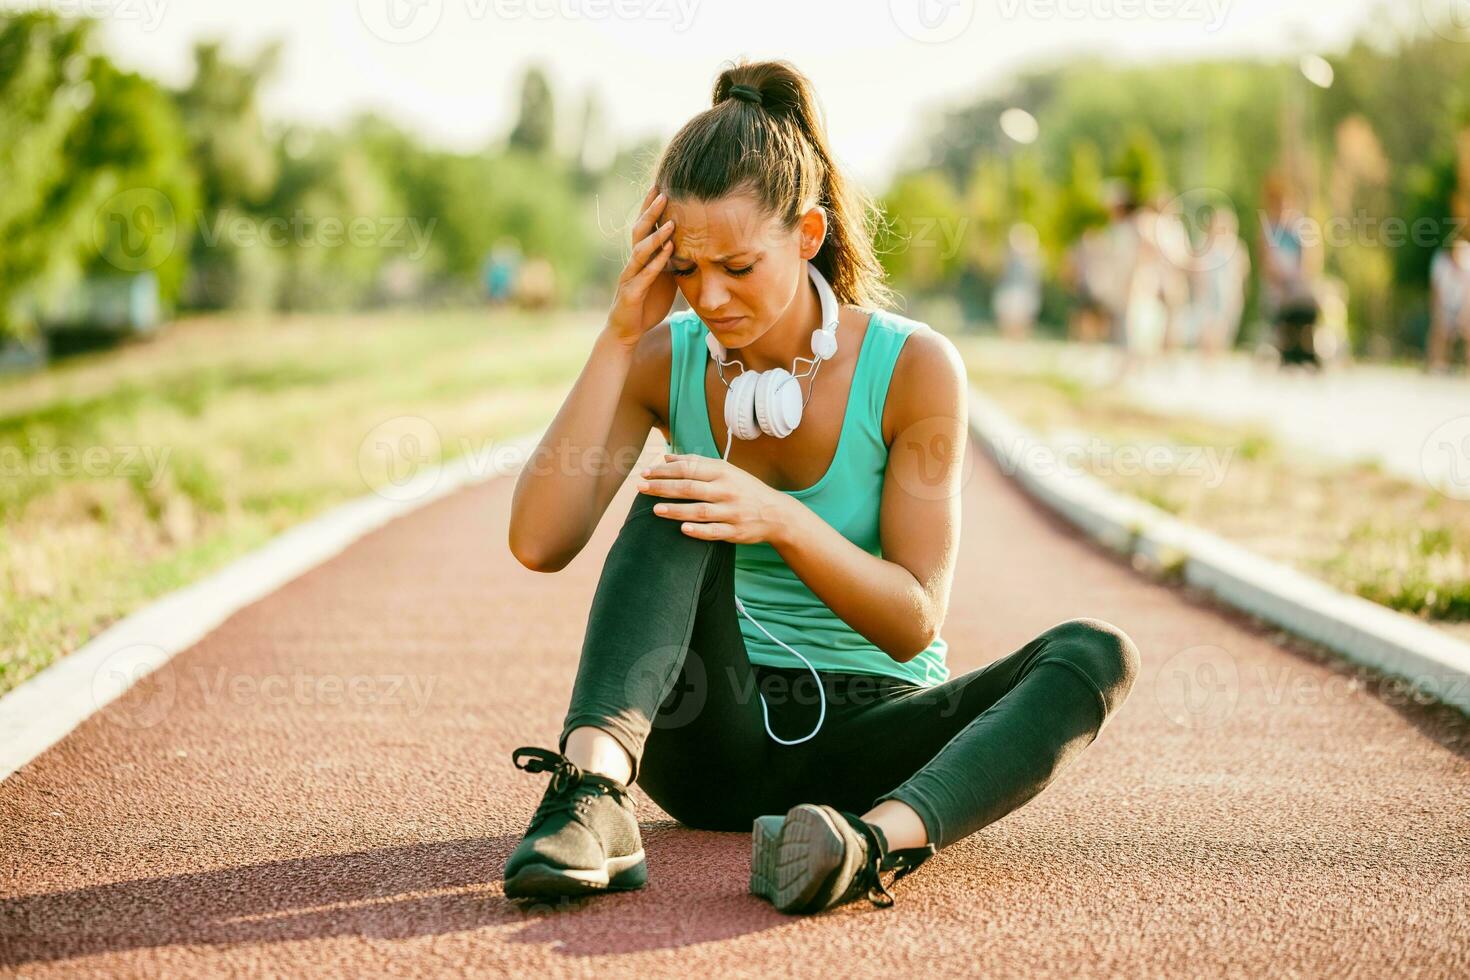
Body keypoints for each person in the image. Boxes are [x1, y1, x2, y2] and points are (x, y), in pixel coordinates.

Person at [501, 59, 1140, 916]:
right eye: (686, 270)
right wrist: (623, 332)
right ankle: (591, 795)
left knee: (1095, 654)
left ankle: (867, 847)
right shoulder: (667, 357)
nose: (711, 297)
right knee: (677, 492)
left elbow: (914, 623)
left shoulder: (911, 367)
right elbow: (539, 543)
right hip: (706, 736)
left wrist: (777, 521)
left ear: (807, 235)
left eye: (737, 266)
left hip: (872, 744)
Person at [1188, 206, 1250, 358]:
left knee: (1223, 326)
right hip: (1208, 292)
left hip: (1228, 293)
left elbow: (1243, 271)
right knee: (1208, 325)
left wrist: (1241, 292)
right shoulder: (1205, 244)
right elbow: (1195, 268)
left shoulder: (1236, 246)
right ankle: (1207, 356)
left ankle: (1216, 356)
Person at [1428, 232, 1470, 373]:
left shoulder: (1466, 263)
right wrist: (1439, 315)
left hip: (1463, 303)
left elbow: (1467, 293)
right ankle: (1437, 365)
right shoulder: (1441, 264)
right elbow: (1437, 293)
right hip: (1446, 304)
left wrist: (1464, 316)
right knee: (1439, 329)